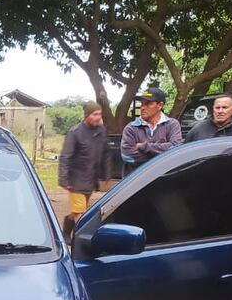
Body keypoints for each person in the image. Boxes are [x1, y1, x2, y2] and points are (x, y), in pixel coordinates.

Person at [58, 101, 110, 239]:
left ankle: (66, 232)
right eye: (95, 114)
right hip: (76, 179)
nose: (98, 117)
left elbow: (105, 152)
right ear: (87, 115)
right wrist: (63, 179)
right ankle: (85, 240)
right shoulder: (75, 132)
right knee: (80, 214)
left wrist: (106, 173)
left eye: (99, 114)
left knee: (78, 211)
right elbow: (65, 156)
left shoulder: (101, 131)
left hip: (90, 179)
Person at [120, 87, 182, 175]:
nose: (142, 108)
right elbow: (127, 156)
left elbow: (176, 149)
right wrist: (163, 156)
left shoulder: (172, 124)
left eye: (148, 104)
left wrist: (143, 147)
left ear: (160, 105)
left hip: (163, 180)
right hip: (135, 182)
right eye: (142, 104)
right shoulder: (131, 128)